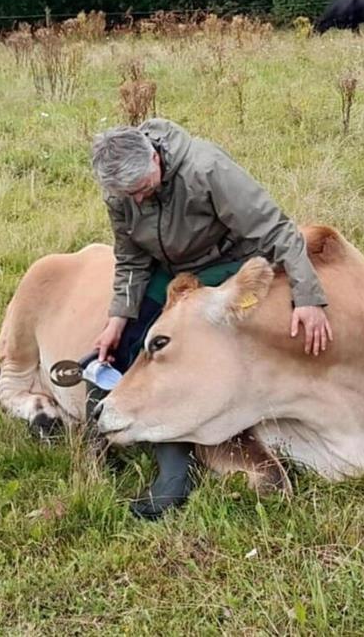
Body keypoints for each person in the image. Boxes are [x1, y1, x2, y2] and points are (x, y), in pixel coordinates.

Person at [90, 118, 331, 520]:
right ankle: (145, 443)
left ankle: (173, 479)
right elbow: (131, 258)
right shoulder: (122, 193)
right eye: (127, 194)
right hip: (171, 276)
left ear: (154, 156)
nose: (137, 199)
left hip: (226, 266)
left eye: (143, 188)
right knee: (135, 344)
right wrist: (118, 317)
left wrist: (308, 296)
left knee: (188, 352)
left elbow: (276, 229)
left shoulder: (206, 168)